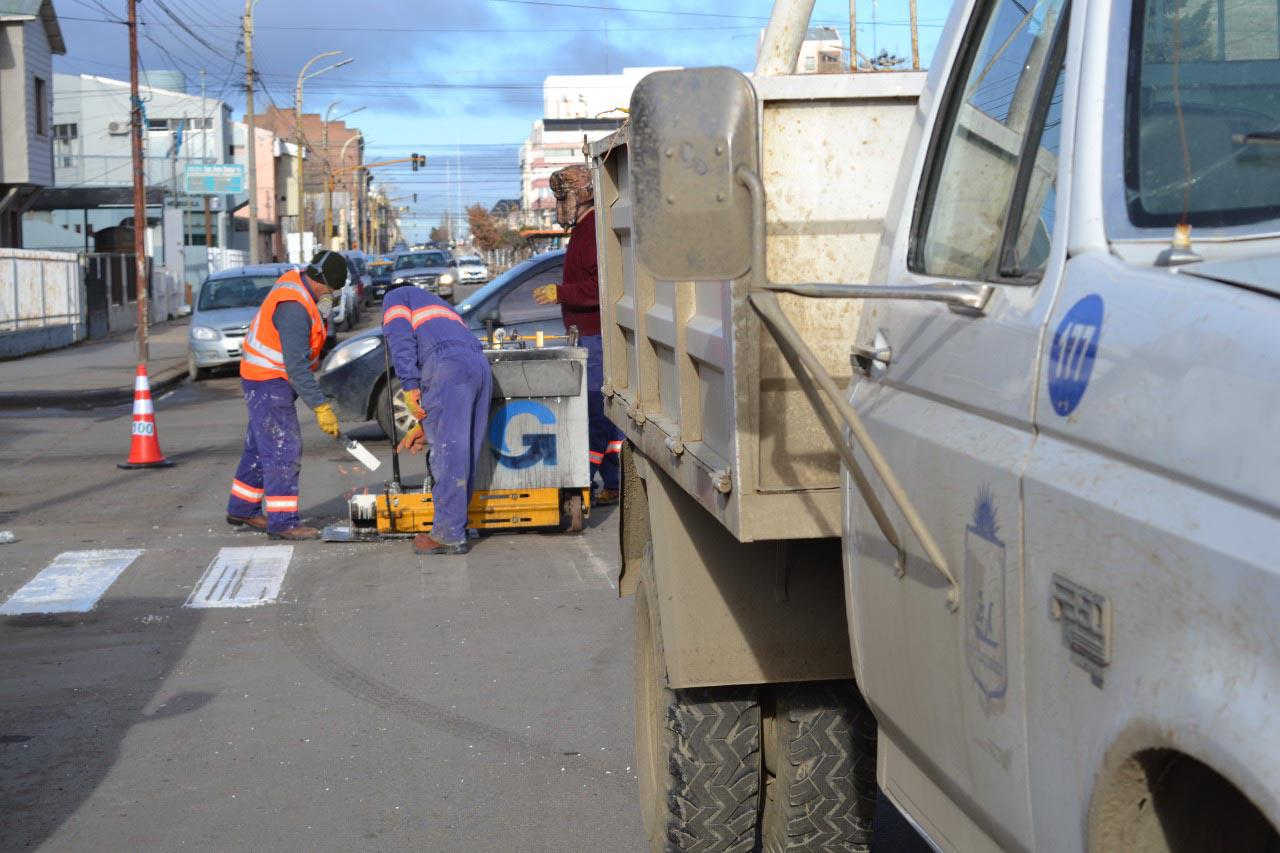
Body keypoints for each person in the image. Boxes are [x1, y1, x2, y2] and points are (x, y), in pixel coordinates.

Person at [225, 251, 346, 540]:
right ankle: (284, 522)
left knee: (259, 445)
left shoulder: (300, 286)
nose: (333, 296)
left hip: (265, 376)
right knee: (283, 447)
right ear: (322, 282)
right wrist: (320, 407)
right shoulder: (294, 307)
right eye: (332, 290)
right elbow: (296, 367)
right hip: (268, 380)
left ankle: (243, 508)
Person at [533, 163, 623, 505]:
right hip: (586, 337)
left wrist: (561, 293)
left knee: (596, 413)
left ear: (584, 195)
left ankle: (581, 482)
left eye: (564, 198)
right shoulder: (583, 231)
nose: (560, 206)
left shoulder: (594, 231)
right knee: (604, 417)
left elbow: (603, 287)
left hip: (596, 338)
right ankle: (614, 482)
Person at [383, 285, 492, 555]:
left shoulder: (395, 297)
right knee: (464, 451)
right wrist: (426, 426)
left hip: (447, 366)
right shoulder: (438, 304)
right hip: (478, 364)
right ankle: (456, 524)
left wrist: (409, 385)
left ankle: (448, 533)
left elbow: (400, 339)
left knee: (448, 454)